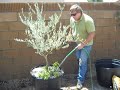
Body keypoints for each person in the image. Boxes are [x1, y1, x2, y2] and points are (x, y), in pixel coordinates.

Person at [69, 4, 95, 89]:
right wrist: (70, 36)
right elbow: (71, 28)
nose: (72, 16)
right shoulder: (72, 19)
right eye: (71, 14)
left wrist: (83, 44)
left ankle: (80, 80)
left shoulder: (88, 20)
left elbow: (92, 34)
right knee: (78, 58)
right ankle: (83, 71)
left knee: (82, 61)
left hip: (86, 45)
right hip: (78, 44)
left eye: (74, 14)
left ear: (79, 12)